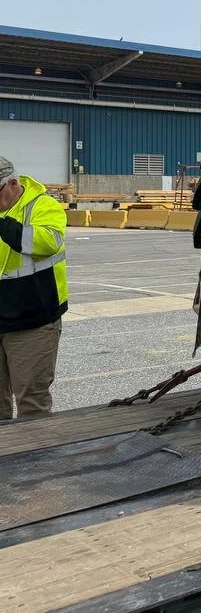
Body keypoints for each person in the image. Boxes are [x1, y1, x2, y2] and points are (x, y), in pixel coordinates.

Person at [0, 156, 68, 418]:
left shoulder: (43, 206)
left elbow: (46, 243)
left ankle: (35, 457)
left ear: (12, 184)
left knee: (31, 402)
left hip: (33, 321)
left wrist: (4, 223)